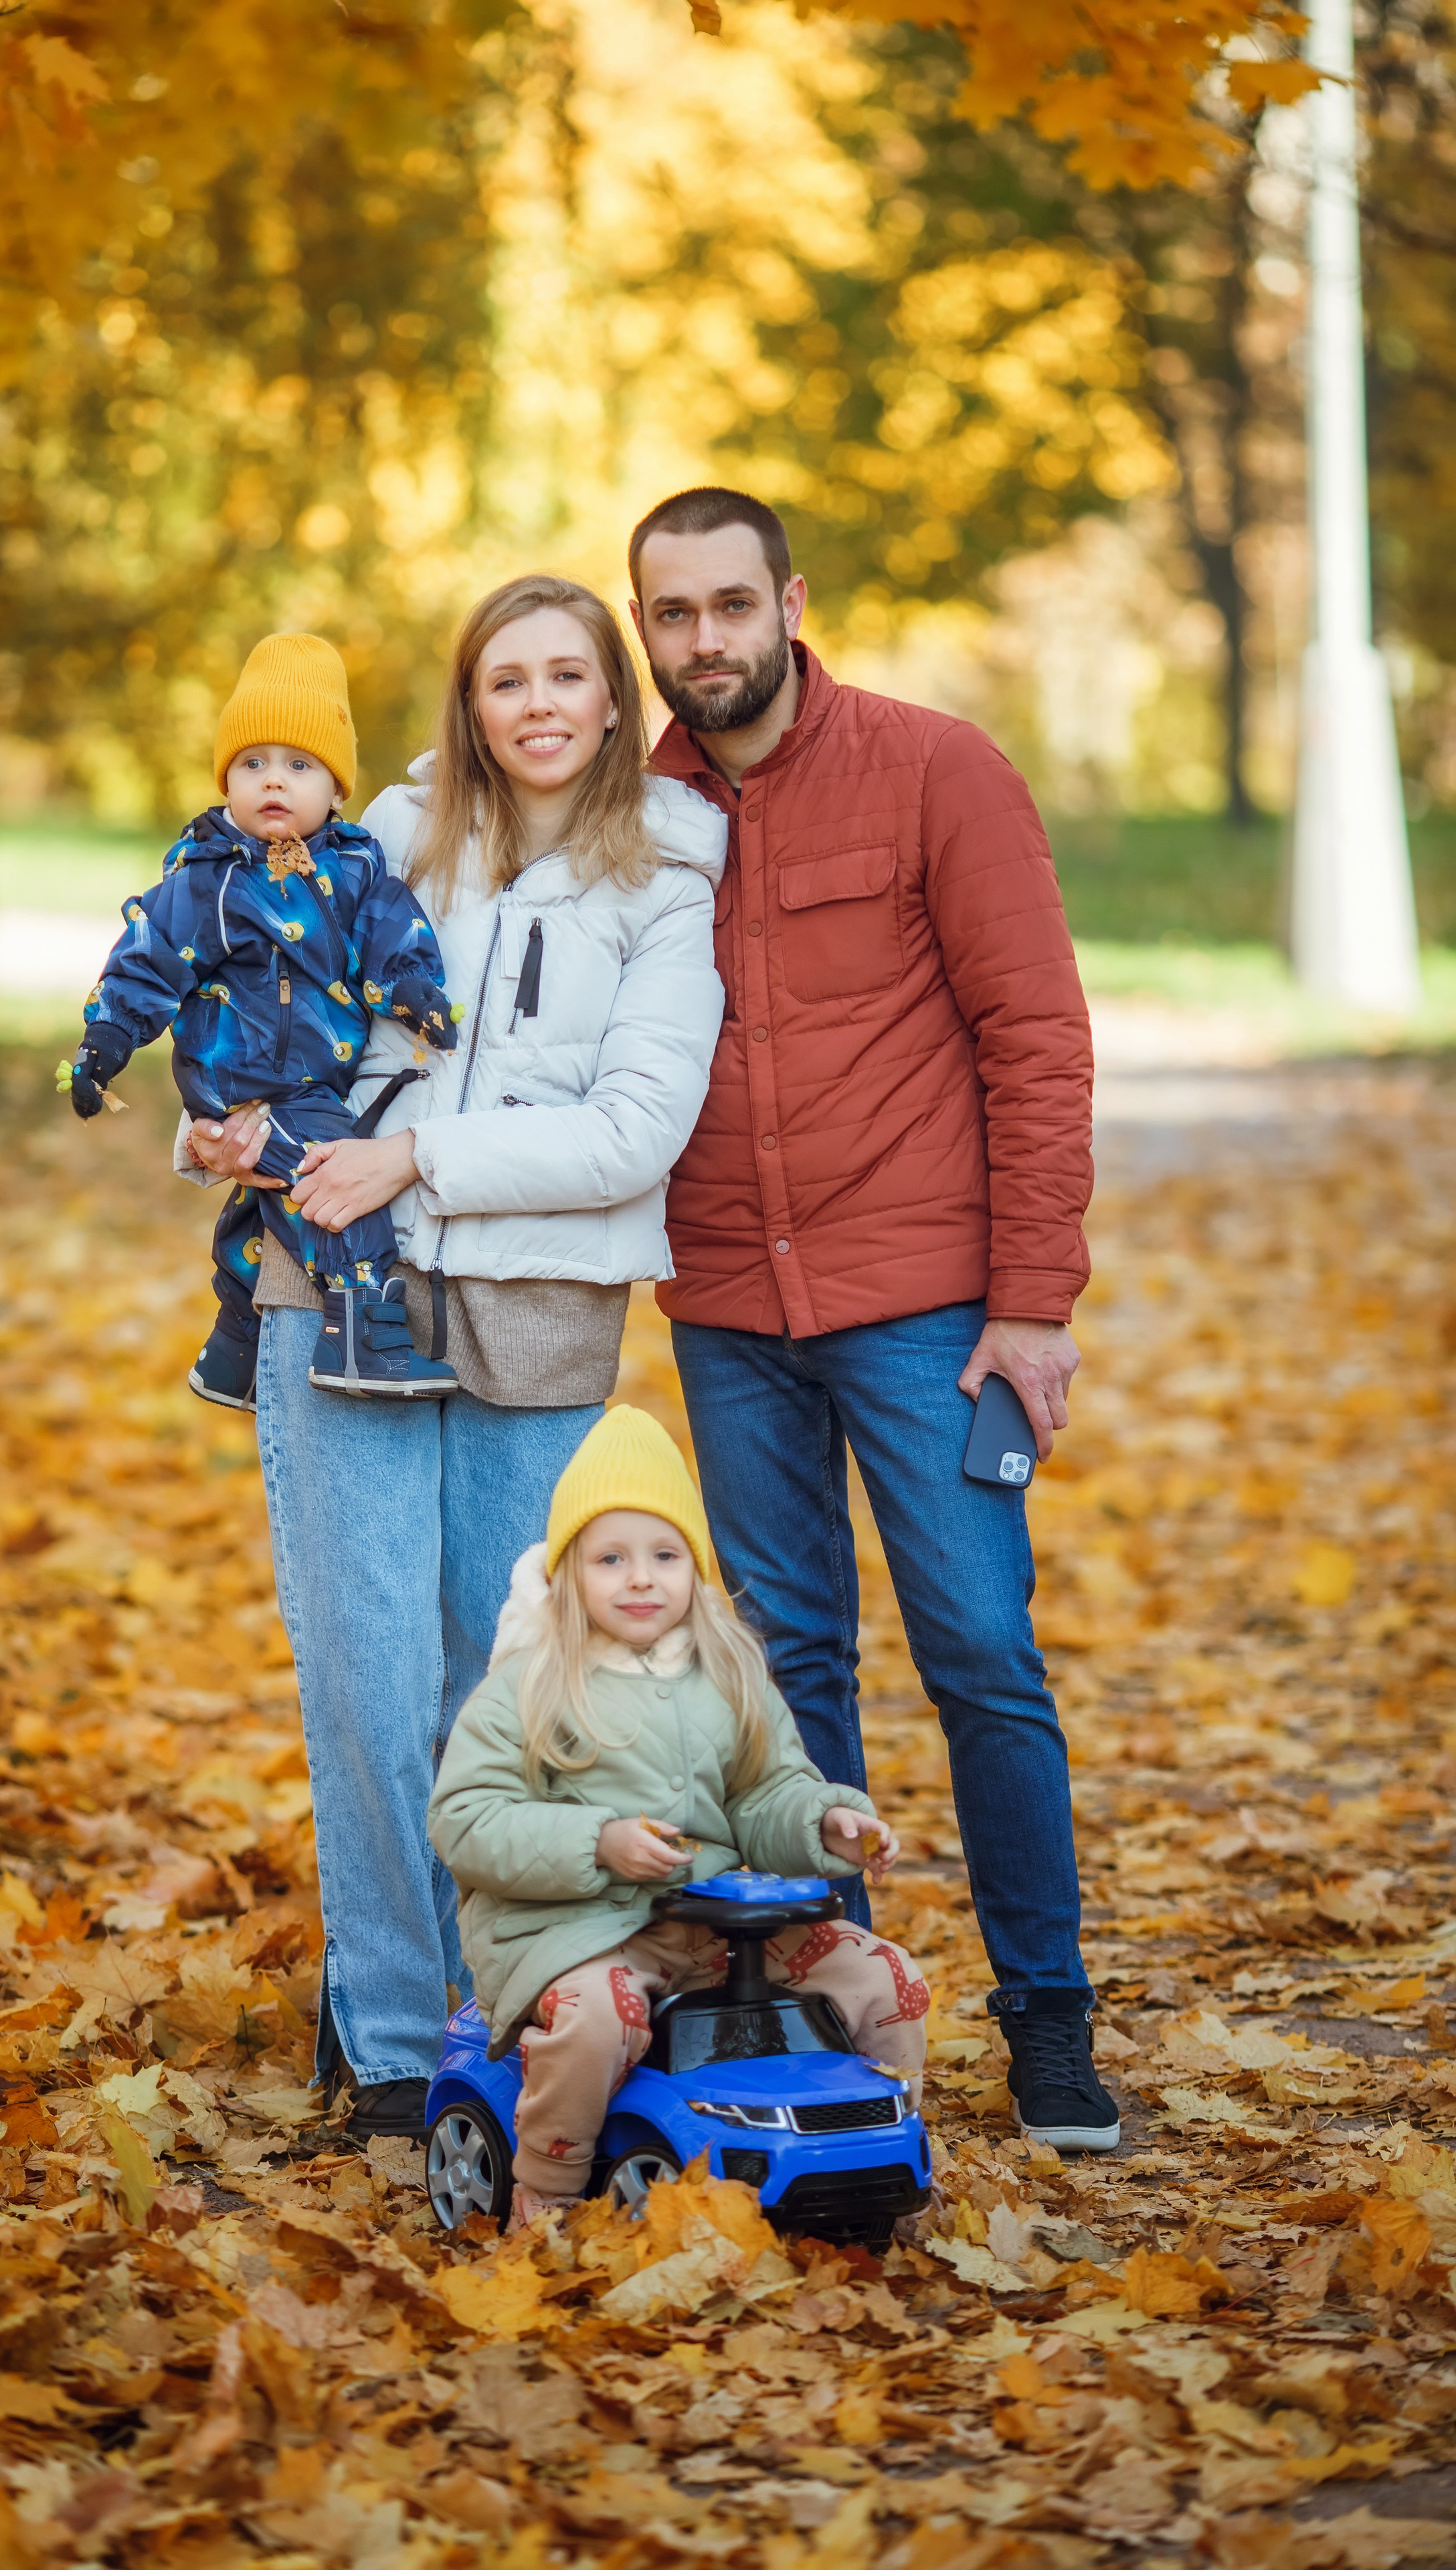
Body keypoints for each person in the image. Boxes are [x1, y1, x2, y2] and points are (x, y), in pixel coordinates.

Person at [176, 576, 728, 2140]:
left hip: (537, 1308)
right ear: (468, 706)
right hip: (339, 1280)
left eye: (567, 675)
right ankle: (392, 2027)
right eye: (506, 680)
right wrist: (218, 1123)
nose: (538, 705)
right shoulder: (386, 837)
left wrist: (418, 1158)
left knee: (515, 1681)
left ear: (612, 700)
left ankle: (517, 2002)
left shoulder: (670, 873)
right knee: (367, 1670)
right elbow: (268, 1009)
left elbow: (633, 1129)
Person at [628, 486, 1119, 2154]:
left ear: (787, 603)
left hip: (926, 1312)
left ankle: (1045, 2018)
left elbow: (1034, 1037)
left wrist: (1031, 1302)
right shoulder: (636, 814)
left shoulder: (933, 769)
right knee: (788, 1670)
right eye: (670, 614)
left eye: (728, 604)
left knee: (980, 1652)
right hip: (726, 1309)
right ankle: (842, 2016)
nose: (703, 640)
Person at [428, 1405, 929, 2228]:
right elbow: (466, 1820)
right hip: (570, 1931)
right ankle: (548, 2190)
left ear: (694, 1568)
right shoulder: (527, 1686)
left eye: (664, 1556)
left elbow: (765, 1791)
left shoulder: (726, 1673)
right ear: (567, 1573)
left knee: (885, 1976)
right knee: (599, 2019)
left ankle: (881, 2151)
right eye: (610, 1558)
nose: (640, 1579)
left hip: (715, 1927)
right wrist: (599, 1843)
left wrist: (823, 1824)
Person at [58, 632, 461, 1410]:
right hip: (244, 1075)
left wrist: (415, 993)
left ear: (336, 789)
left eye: (299, 765)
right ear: (227, 780)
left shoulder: (357, 867)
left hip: (314, 1076)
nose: (273, 780)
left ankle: (234, 1349)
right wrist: (105, 1041)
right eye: (253, 764)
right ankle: (362, 1332)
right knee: (332, 1181)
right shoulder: (209, 877)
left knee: (265, 1202)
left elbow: (392, 936)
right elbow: (148, 959)